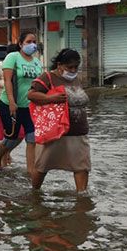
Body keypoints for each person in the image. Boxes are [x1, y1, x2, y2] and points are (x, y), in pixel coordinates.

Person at [27, 49, 90, 192]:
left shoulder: (76, 79)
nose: (73, 70)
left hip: (78, 131)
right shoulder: (48, 77)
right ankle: (34, 193)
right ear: (60, 65)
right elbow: (31, 95)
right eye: (70, 67)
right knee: (42, 166)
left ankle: (82, 198)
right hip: (55, 132)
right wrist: (50, 98)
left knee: (82, 167)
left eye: (76, 67)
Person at [0, 32, 43, 177]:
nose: (32, 44)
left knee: (31, 138)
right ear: (20, 44)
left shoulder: (37, 62)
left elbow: (39, 84)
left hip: (30, 107)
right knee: (11, 138)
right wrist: (12, 102)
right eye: (29, 41)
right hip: (10, 104)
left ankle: (31, 171)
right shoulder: (13, 57)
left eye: (34, 41)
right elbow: (7, 80)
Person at [0, 44, 25, 167]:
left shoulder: (21, 68)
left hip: (20, 108)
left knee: (20, 135)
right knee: (7, 137)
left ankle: (2, 156)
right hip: (1, 108)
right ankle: (1, 165)